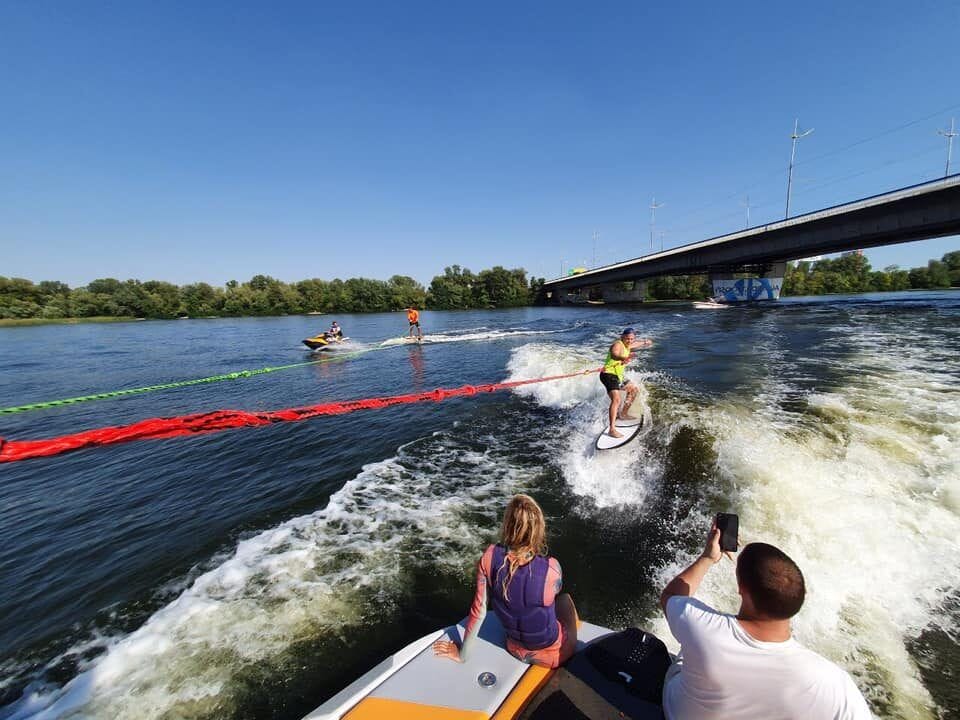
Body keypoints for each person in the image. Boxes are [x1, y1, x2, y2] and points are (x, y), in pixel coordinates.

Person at [659, 521, 872, 719]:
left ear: (742, 589)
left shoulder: (703, 628)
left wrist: (708, 557)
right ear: (801, 598)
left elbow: (671, 596)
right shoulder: (834, 683)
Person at [433, 494, 579, 668]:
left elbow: (478, 612)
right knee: (564, 600)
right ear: (538, 528)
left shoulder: (488, 558)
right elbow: (554, 592)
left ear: (507, 526)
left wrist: (462, 655)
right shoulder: (552, 568)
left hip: (514, 649)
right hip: (553, 657)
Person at [600, 328, 653, 438]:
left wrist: (645, 342)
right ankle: (612, 429)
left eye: (631, 339)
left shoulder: (628, 345)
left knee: (633, 390)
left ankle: (623, 414)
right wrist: (624, 357)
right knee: (616, 399)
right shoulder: (618, 344)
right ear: (622, 337)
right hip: (608, 375)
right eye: (627, 338)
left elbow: (635, 344)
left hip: (618, 376)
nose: (629, 341)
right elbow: (614, 354)